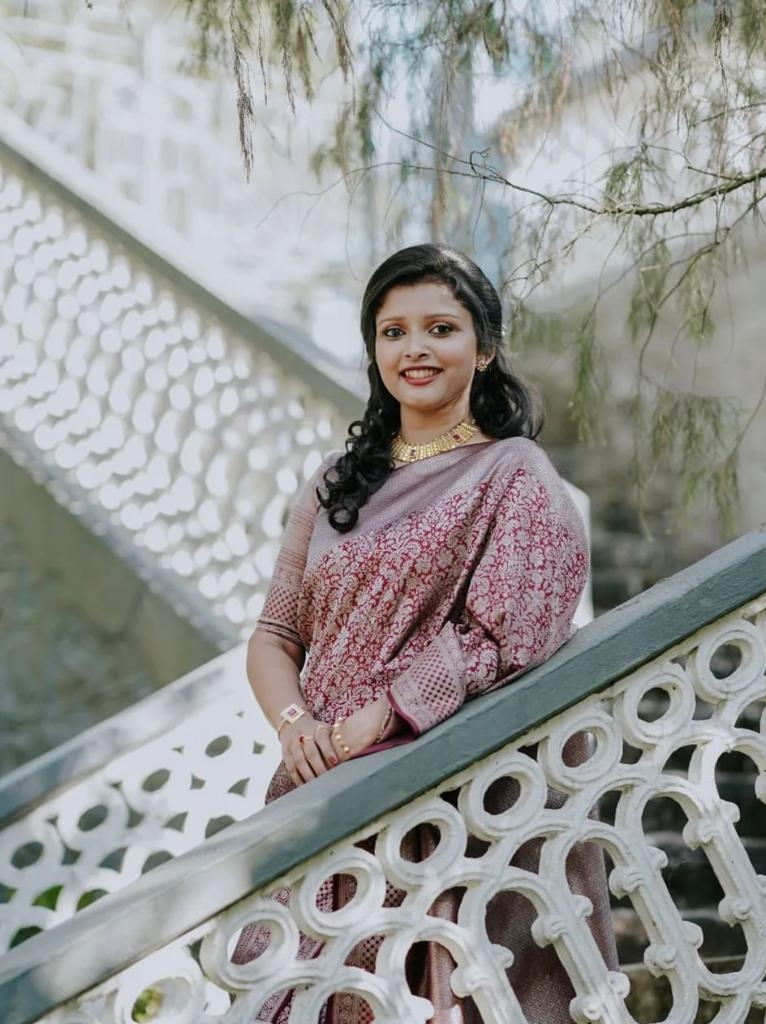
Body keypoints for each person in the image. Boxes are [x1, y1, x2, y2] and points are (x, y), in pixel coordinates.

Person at [231, 243, 618, 1022]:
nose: (415, 349)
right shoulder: (336, 482)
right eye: (394, 331)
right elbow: (274, 635)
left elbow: (514, 631)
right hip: (323, 785)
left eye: (440, 328)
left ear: (485, 348)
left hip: (442, 793)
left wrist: (390, 711)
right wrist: (296, 725)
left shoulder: (512, 474)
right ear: (375, 351)